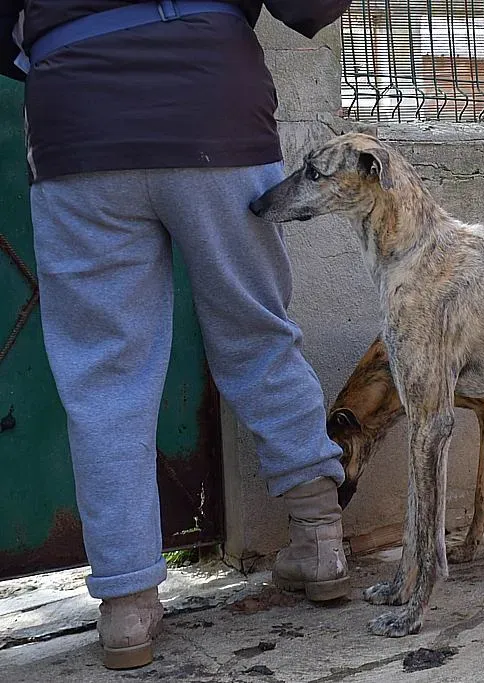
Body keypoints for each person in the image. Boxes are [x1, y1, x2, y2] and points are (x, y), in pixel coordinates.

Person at [0, 0, 352, 670]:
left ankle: (127, 604)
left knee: (105, 375)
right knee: (256, 332)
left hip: (76, 122)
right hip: (213, 106)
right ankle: (318, 538)